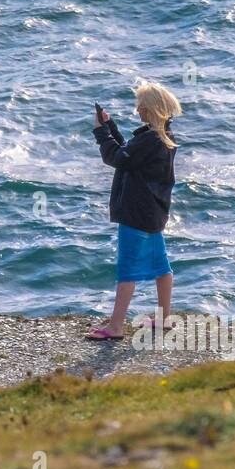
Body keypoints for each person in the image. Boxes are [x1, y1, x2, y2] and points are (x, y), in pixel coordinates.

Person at [86, 82, 182, 341]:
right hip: (153, 212)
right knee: (161, 267)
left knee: (127, 269)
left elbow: (116, 158)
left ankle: (116, 327)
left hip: (136, 214)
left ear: (151, 109)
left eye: (141, 105)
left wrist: (100, 132)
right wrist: (110, 127)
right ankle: (163, 319)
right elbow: (127, 153)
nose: (138, 109)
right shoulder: (161, 137)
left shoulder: (150, 140)